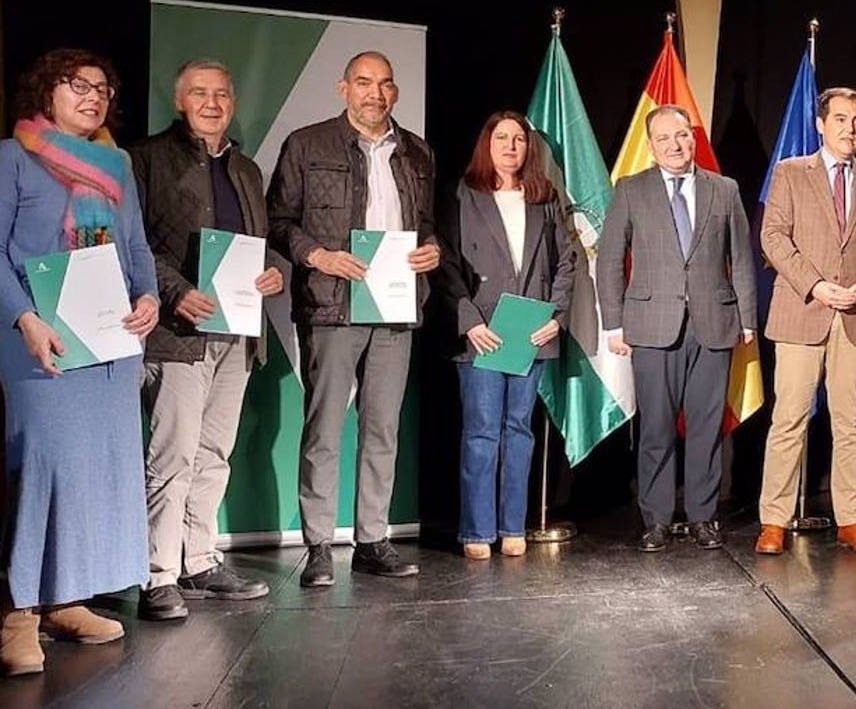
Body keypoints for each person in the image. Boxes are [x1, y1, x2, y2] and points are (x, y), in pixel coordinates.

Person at [0, 49, 159, 676]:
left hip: (110, 340)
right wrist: (25, 318)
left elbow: (137, 245)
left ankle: (67, 599)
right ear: (46, 92)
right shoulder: (13, 158)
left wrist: (147, 296)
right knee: (44, 469)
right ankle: (18, 614)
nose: (92, 96)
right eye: (77, 85)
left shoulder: (117, 164)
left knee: (95, 472)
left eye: (102, 88)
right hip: (40, 340)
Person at [267, 51, 440, 586]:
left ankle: (372, 539)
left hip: (394, 304)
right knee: (324, 427)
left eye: (385, 84)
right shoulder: (307, 143)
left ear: (396, 91)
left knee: (383, 428)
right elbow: (278, 219)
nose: (375, 93)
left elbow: (426, 221)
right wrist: (317, 255)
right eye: (364, 83)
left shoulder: (416, 151)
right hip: (331, 302)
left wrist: (431, 248)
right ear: (344, 88)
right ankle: (318, 545)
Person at [130, 59, 285, 620]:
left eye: (221, 93)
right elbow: (136, 244)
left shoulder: (246, 169)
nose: (212, 102)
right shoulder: (145, 159)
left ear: (234, 102)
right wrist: (173, 291)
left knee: (214, 452)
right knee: (170, 454)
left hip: (237, 331)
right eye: (200, 93)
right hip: (178, 332)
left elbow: (257, 246)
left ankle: (199, 559)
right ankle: (157, 573)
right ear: (180, 100)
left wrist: (273, 272)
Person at [596, 104, 756, 552]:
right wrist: (614, 324)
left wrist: (747, 320)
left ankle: (705, 517)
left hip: (714, 324)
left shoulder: (724, 189)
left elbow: (741, 258)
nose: (675, 145)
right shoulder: (631, 190)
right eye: (665, 138)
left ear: (693, 137)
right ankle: (658, 519)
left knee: (706, 428)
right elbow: (609, 260)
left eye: (682, 136)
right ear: (652, 145)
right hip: (650, 327)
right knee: (658, 428)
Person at [756, 88, 856, 556]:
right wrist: (815, 285)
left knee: (852, 421)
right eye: (839, 119)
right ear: (820, 124)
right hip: (802, 310)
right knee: (789, 418)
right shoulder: (791, 172)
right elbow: (772, 237)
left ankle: (851, 519)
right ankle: (774, 520)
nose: (848, 129)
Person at [435, 112, 576, 559]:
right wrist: (470, 320)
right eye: (502, 137)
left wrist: (558, 315)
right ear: (486, 143)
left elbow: (567, 261)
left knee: (519, 430)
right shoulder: (461, 194)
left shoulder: (544, 197)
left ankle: (512, 526)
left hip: (529, 332)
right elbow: (446, 263)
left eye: (518, 139)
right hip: (482, 334)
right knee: (481, 432)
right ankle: (478, 531)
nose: (511, 146)